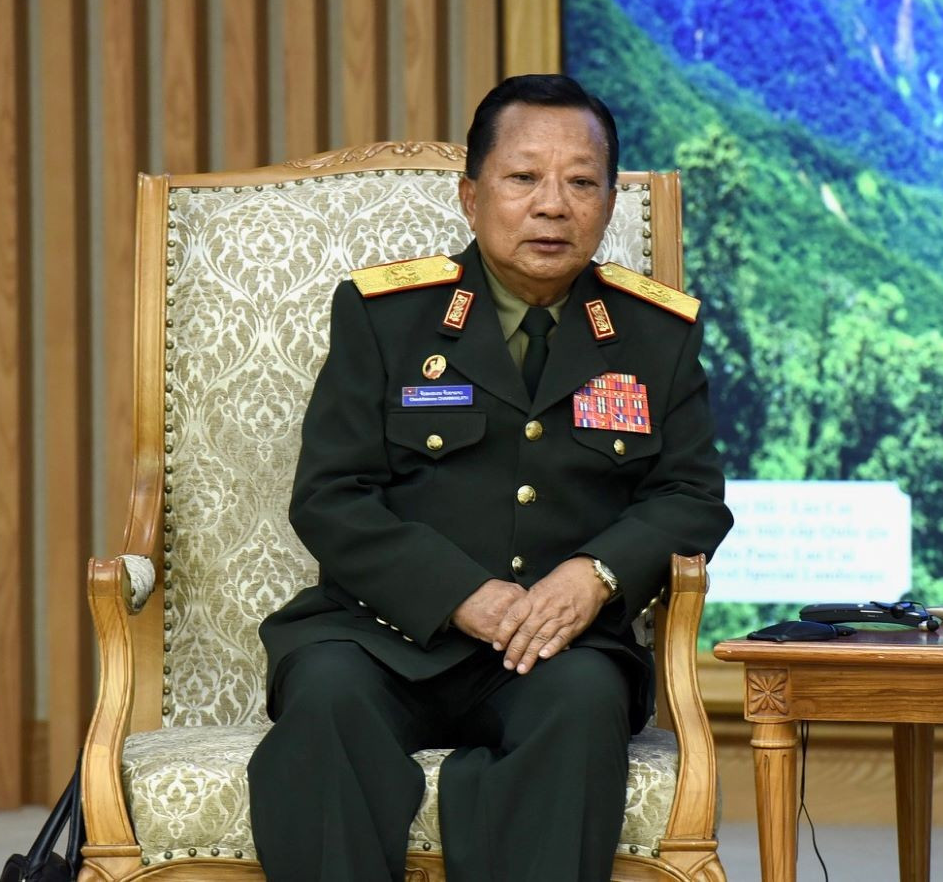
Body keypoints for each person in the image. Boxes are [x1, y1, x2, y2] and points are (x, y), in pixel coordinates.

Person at [247, 74, 733, 882]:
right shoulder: (387, 316)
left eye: (581, 182)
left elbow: (691, 496)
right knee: (326, 702)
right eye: (523, 178)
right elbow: (330, 495)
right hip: (380, 638)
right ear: (471, 197)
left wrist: (597, 573)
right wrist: (458, 592)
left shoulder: (655, 334)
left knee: (582, 706)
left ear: (610, 203)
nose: (553, 205)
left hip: (559, 645)